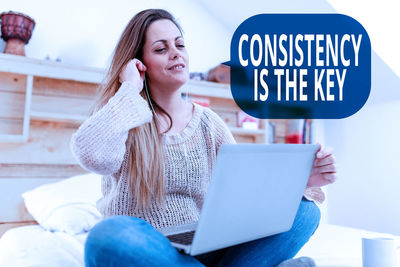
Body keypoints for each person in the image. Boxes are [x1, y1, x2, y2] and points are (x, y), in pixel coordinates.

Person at [70, 9, 337, 267]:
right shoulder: (123, 114)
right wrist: (129, 90)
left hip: (210, 247)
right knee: (106, 237)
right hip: (148, 248)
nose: (175, 53)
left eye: (180, 45)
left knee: (306, 213)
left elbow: (245, 195)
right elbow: (93, 155)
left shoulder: (209, 124)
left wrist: (301, 182)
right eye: (161, 49)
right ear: (140, 64)